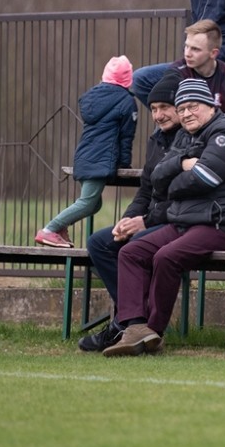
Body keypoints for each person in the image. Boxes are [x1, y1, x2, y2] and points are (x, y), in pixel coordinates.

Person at [102, 78, 225, 357]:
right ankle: (135, 327)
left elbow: (205, 177)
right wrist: (183, 163)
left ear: (210, 105)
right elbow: (157, 176)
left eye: (193, 106)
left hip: (221, 224)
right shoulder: (186, 136)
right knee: (131, 252)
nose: (186, 114)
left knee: (166, 256)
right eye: (182, 108)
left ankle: (154, 330)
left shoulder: (224, 132)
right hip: (187, 221)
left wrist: (174, 182)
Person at [78, 77, 182, 351]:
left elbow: (182, 199)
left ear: (180, 107)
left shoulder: (189, 139)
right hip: (151, 219)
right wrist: (127, 219)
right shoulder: (156, 140)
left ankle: (128, 323)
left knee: (135, 246)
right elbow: (145, 190)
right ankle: (132, 319)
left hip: (178, 221)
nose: (158, 115)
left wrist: (144, 222)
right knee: (99, 242)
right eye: (153, 109)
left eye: (165, 107)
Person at [35, 56, 137, 248]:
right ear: (127, 80)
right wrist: (124, 163)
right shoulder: (127, 101)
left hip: (83, 157)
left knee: (94, 204)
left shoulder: (91, 97)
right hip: (101, 159)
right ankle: (49, 230)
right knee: (87, 203)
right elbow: (126, 137)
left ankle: (60, 228)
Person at [158, 19, 225, 122]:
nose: (187, 53)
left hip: (218, 130)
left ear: (213, 53)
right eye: (186, 46)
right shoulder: (176, 73)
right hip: (182, 129)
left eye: (195, 49)